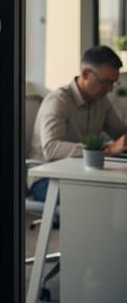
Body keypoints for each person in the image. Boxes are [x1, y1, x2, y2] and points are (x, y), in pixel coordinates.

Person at [30, 45, 127, 200]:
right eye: (106, 82)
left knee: (116, 193)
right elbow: (51, 148)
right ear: (86, 74)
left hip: (83, 175)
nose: (109, 90)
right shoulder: (59, 101)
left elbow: (120, 133)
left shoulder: (101, 102)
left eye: (113, 84)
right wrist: (105, 150)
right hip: (47, 178)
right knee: (98, 198)